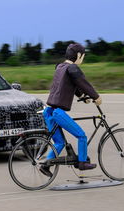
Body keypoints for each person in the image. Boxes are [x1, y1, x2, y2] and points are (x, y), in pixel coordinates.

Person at [39, 43, 102, 177]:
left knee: (59, 142)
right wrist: (96, 97)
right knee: (81, 135)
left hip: (48, 111)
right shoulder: (73, 68)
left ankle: (45, 165)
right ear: (79, 55)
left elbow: (71, 85)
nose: (82, 59)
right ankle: (82, 163)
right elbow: (83, 83)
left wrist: (82, 96)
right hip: (58, 113)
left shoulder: (60, 67)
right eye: (83, 56)